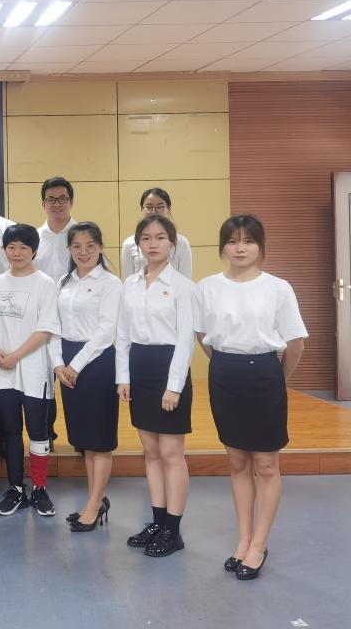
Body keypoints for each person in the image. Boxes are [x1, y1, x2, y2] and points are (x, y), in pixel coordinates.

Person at [195, 215, 307, 581]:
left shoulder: (278, 288)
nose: (240, 248)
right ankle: (243, 540)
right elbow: (202, 335)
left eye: (248, 241)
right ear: (222, 247)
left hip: (265, 374)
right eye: (232, 241)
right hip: (224, 374)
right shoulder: (207, 287)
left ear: (260, 247)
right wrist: (226, 364)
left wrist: (277, 378)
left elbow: (295, 343)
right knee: (238, 462)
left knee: (266, 464)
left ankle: (259, 544)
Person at [115, 215, 194, 554]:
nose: (153, 244)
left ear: (172, 244)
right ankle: (158, 522)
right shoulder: (130, 284)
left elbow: (186, 340)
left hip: (168, 368)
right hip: (139, 368)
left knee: (171, 453)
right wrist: (123, 377)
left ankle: (173, 531)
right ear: (138, 245)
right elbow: (122, 334)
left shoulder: (183, 286)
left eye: (160, 238)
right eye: (146, 238)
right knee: (150, 452)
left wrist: (174, 386)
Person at [0, 224, 61, 518]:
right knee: (10, 432)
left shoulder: (45, 283)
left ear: (34, 251)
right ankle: (16, 489)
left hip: (33, 368)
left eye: (23, 248)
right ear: (4, 249)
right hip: (1, 369)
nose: (17, 253)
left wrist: (16, 356)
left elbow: (46, 329)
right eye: (11, 247)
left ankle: (40, 488)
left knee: (38, 432)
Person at [34, 176, 77, 447]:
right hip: (42, 322)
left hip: (75, 320)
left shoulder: (82, 235)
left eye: (62, 199)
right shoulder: (34, 238)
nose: (57, 204)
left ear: (71, 201)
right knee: (44, 383)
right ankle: (46, 433)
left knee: (75, 380)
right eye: (51, 199)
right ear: (43, 203)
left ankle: (82, 437)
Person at [120, 188, 193, 279]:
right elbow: (130, 280)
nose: (154, 211)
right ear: (141, 209)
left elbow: (185, 279)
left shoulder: (181, 242)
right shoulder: (129, 244)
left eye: (160, 207)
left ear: (168, 208)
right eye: (149, 207)